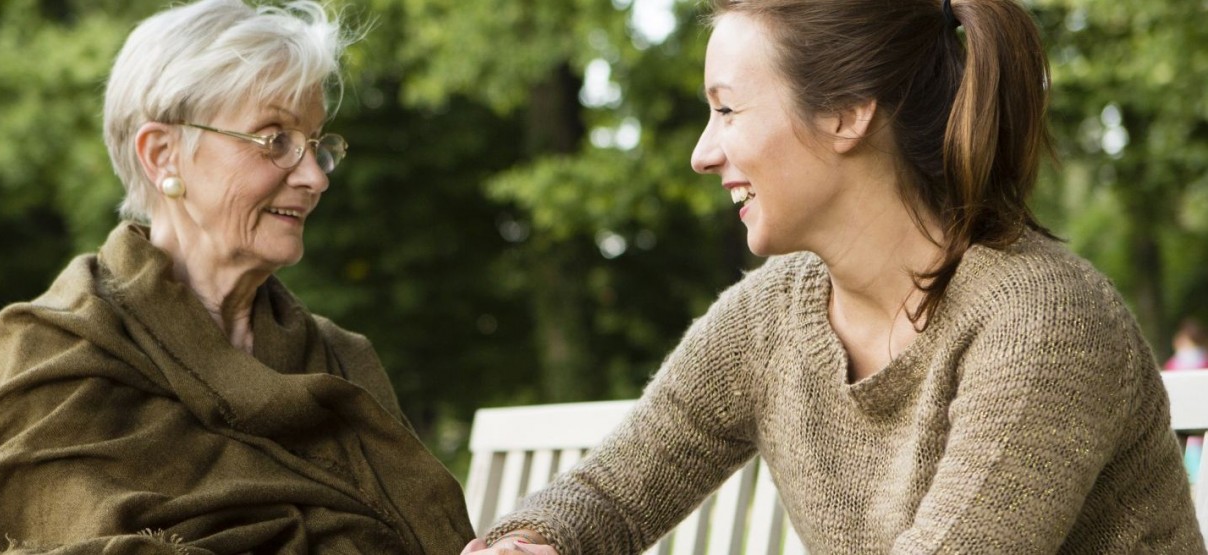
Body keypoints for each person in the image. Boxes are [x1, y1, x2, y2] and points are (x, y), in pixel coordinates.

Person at [464, 0, 1205, 552]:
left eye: (726, 110)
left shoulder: (1040, 321)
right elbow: (609, 495)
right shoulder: (769, 318)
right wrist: (538, 541)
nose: (702, 152)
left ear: (848, 112)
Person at [0, 1, 474, 552]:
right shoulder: (57, 354)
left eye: (317, 144)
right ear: (163, 155)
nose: (314, 178)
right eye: (275, 139)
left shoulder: (340, 358)